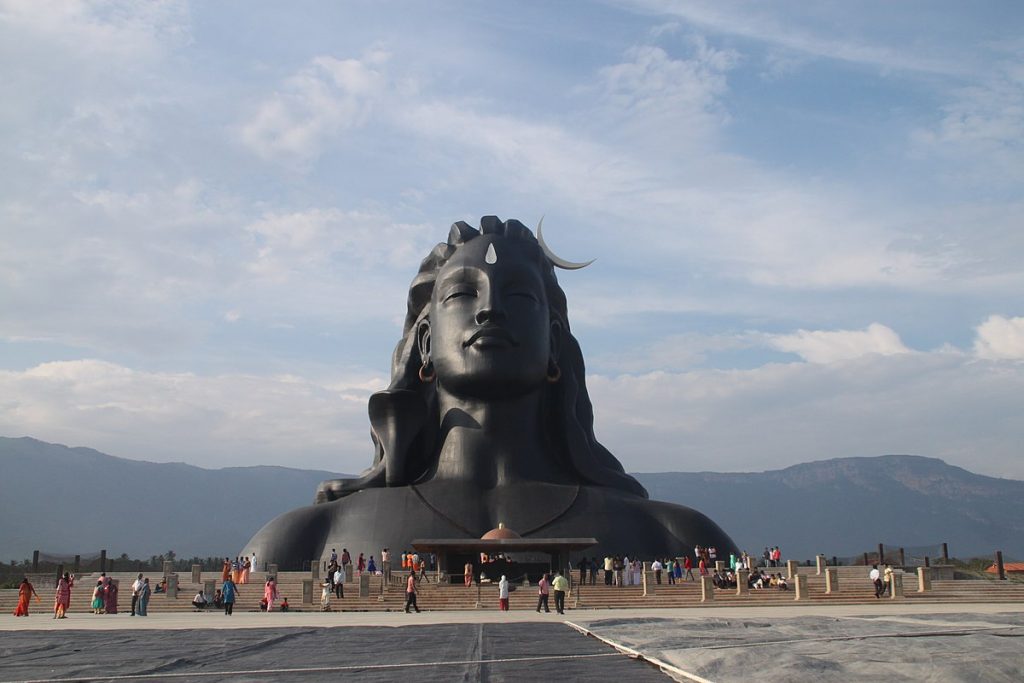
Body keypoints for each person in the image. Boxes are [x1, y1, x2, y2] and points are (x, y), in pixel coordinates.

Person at [242, 218, 739, 566]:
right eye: (463, 292)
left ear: (555, 341)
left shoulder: (673, 536)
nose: (489, 310)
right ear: (424, 341)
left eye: (518, 293)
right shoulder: (302, 538)